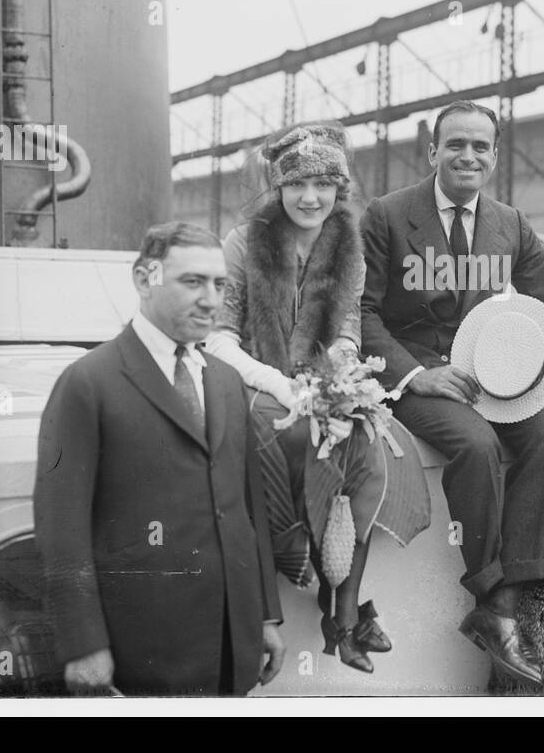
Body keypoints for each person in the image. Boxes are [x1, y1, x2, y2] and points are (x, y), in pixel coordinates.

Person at [359, 100, 544, 686]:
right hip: (416, 376)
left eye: (481, 146)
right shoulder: (385, 215)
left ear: (495, 156)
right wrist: (413, 376)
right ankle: (493, 595)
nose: (468, 156)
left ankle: (524, 585)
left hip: (490, 375)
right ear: (433, 153)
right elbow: (362, 310)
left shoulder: (511, 222)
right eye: (456, 144)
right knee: (477, 447)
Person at [206, 121, 429, 675]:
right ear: (278, 188)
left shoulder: (347, 246)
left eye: (324, 185)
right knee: (298, 434)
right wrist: (280, 383)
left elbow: (349, 328)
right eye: (297, 185)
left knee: (372, 439)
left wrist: (343, 376)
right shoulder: (242, 243)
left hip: (317, 380)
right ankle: (315, 579)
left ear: (340, 190)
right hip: (253, 380)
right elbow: (218, 338)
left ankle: (344, 607)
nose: (311, 198)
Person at [34, 222, 285, 696]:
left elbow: (249, 511)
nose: (211, 299)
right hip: (142, 652)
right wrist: (83, 644)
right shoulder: (88, 383)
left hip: (232, 646)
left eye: (220, 284)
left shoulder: (227, 382)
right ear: (143, 279)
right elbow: (59, 527)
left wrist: (266, 614)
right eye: (192, 282)